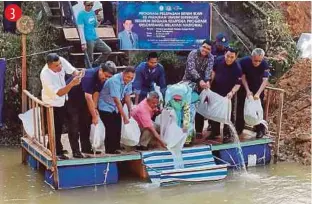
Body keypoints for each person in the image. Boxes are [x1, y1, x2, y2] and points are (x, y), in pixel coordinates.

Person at [66, 61, 117, 158]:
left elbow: (96, 93)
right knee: (74, 124)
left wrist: (94, 108)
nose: (106, 79)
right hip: (72, 98)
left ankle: (86, 148)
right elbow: (88, 96)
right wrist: (94, 116)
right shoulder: (89, 76)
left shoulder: (102, 79)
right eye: (105, 76)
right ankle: (75, 151)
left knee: (86, 122)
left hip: (84, 100)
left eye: (109, 77)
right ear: (101, 70)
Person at [40, 53, 82, 160]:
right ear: (49, 65)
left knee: (73, 123)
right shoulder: (45, 75)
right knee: (56, 128)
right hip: (52, 102)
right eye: (56, 66)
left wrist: (78, 74)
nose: (59, 67)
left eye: (60, 64)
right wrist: (72, 84)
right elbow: (59, 93)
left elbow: (72, 70)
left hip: (65, 99)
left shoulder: (61, 61)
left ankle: (76, 151)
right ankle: (55, 151)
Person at [98, 66, 135, 154]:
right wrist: (124, 116)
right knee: (110, 127)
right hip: (105, 106)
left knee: (118, 126)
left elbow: (127, 96)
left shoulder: (129, 81)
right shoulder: (114, 81)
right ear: (123, 74)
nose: (129, 79)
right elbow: (117, 100)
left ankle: (116, 147)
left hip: (115, 107)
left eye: (132, 77)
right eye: (128, 77)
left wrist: (130, 110)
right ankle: (110, 149)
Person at [209, 47, 242, 143]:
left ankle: (228, 134)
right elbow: (213, 71)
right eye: (228, 56)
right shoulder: (218, 60)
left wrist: (232, 92)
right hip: (216, 89)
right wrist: (210, 83)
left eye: (232, 57)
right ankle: (215, 132)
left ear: (235, 57)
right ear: (224, 54)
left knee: (229, 114)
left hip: (228, 93)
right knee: (214, 111)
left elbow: (238, 84)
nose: (229, 59)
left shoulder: (237, 68)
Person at [182, 39, 214, 138]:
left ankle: (199, 131)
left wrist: (207, 80)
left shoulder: (211, 58)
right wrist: (199, 80)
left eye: (208, 49)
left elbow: (209, 70)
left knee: (200, 105)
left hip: (202, 84)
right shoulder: (193, 53)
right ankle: (185, 132)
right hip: (188, 83)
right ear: (201, 46)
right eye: (204, 47)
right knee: (188, 107)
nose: (205, 49)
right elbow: (191, 69)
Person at [236, 48, 270, 138]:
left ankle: (260, 130)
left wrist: (258, 93)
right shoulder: (244, 62)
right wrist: (247, 91)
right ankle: (239, 128)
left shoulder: (264, 64)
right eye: (255, 60)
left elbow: (265, 80)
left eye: (259, 61)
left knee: (258, 110)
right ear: (252, 57)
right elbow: (243, 77)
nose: (257, 63)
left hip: (258, 87)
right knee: (241, 108)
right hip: (245, 87)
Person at [77, 1, 112, 67]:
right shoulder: (81, 14)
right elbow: (80, 29)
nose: (90, 6)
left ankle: (96, 64)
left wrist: (99, 20)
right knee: (89, 58)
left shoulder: (92, 12)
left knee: (108, 50)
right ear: (84, 4)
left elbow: (95, 25)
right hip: (88, 38)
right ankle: (89, 71)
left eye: (91, 5)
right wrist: (83, 42)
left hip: (95, 37)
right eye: (88, 5)